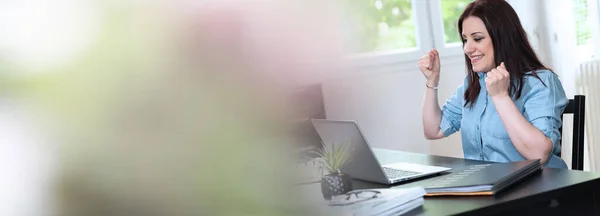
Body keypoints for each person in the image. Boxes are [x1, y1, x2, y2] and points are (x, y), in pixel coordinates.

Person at [418, 0, 569, 169]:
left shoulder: (540, 82)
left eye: (477, 38)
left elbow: (539, 155)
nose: (467, 48)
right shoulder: (474, 83)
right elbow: (434, 130)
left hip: (536, 187)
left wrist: (500, 97)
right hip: (486, 187)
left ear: (503, 38)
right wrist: (432, 81)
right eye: (465, 39)